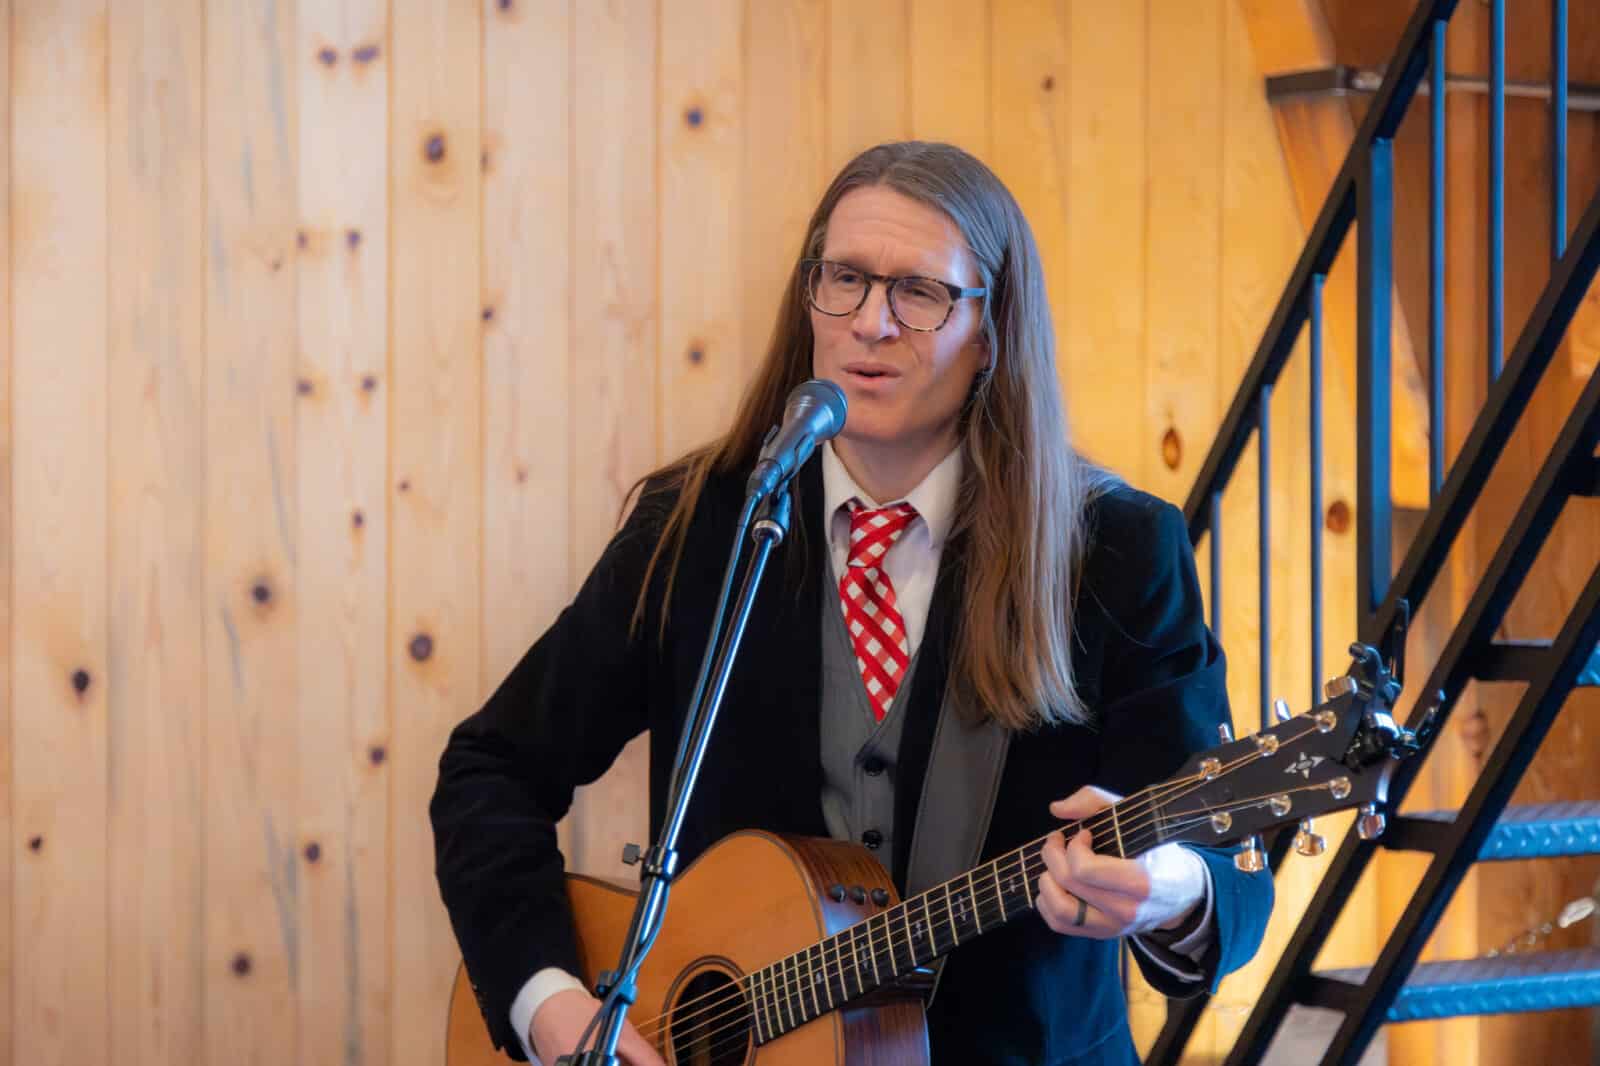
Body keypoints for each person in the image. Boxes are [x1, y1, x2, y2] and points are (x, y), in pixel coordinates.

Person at [431, 140, 1273, 1065]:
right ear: (811, 298)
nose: (872, 322)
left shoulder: (1112, 553)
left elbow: (1225, 869)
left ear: (992, 332)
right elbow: (491, 768)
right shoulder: (702, 528)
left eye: (920, 292)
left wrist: (1169, 887)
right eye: (846, 279)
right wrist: (546, 999)